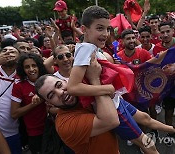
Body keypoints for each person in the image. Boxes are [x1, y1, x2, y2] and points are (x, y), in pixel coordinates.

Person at [67, 6, 175, 154]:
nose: (105, 34)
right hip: (113, 109)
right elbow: (73, 87)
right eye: (100, 28)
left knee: (145, 117)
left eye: (107, 29)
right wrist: (107, 89)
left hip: (116, 101)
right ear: (85, 29)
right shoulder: (85, 49)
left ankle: (172, 129)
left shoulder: (90, 46)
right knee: (148, 145)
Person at [35, 58, 120, 154]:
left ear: (66, 81)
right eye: (51, 95)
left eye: (59, 85)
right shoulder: (65, 125)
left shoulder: (83, 92)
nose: (60, 93)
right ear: (49, 103)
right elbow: (111, 121)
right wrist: (95, 80)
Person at [11, 53, 47, 154]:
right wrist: (34, 104)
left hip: (54, 128)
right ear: (22, 69)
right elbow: (14, 114)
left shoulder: (47, 79)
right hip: (35, 133)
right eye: (27, 67)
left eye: (34, 65)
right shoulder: (19, 85)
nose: (31, 69)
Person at [0, 46, 21, 154]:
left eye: (12, 51)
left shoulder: (23, 76)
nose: (8, 53)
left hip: (11, 133)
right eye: (4, 51)